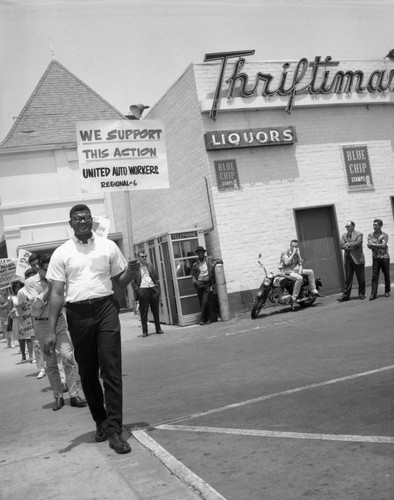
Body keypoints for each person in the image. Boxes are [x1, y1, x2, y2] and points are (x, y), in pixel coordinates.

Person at [46, 204, 135, 454]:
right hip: (77, 314)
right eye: (77, 218)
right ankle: (101, 421)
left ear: (92, 220)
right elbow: (56, 292)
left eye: (86, 217)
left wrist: (132, 272)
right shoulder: (62, 253)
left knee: (111, 369)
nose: (82, 221)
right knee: (87, 372)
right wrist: (51, 330)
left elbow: (120, 281)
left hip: (106, 308)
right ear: (71, 223)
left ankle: (115, 431)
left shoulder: (108, 246)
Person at [25, 254, 87, 410]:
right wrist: (49, 289)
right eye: (46, 269)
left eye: (51, 268)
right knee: (51, 362)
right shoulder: (30, 282)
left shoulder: (58, 277)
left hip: (59, 321)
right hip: (42, 325)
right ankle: (58, 396)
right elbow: (36, 305)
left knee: (67, 356)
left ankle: (74, 395)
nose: (49, 272)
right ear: (39, 267)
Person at [17, 268, 46, 378]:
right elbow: (21, 309)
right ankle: (41, 368)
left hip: (45, 318)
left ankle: (50, 365)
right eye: (30, 278)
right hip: (31, 321)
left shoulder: (42, 285)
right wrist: (23, 325)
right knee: (37, 344)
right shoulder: (21, 292)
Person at [131, 251, 163, 337]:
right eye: (142, 256)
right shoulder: (136, 268)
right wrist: (138, 290)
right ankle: (145, 331)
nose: (144, 258)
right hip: (142, 289)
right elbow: (133, 282)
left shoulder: (150, 265)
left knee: (155, 310)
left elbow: (155, 276)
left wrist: (156, 286)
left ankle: (158, 329)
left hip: (152, 288)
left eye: (145, 256)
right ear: (138, 258)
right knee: (144, 311)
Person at [279, 239, 322, 305]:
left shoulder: (297, 253)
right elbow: (286, 262)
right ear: (290, 246)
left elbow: (300, 264)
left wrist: (300, 268)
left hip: (294, 271)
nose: (294, 248)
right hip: (286, 271)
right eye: (293, 246)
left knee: (310, 272)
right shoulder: (285, 252)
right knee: (299, 278)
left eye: (296, 247)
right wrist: (293, 254)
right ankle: (294, 297)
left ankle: (313, 290)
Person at [191, 246, 224, 325]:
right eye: (198, 253)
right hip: (199, 283)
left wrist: (214, 264)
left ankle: (202, 319)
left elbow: (220, 261)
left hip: (207, 284)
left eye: (201, 253)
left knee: (205, 301)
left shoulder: (209, 260)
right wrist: (196, 282)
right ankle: (206, 319)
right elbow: (193, 276)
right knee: (202, 302)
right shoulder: (195, 264)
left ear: (204, 253)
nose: (200, 254)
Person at [338, 220, 366, 302]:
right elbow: (341, 245)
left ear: (353, 226)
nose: (346, 228)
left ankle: (361, 294)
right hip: (348, 258)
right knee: (348, 278)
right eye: (345, 226)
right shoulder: (344, 235)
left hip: (357, 259)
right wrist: (348, 246)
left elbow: (358, 243)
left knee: (360, 278)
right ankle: (345, 296)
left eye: (348, 226)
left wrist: (348, 244)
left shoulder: (359, 234)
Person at [367, 219, 391, 300]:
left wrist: (374, 244)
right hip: (376, 257)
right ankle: (373, 294)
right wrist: (378, 244)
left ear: (380, 226)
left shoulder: (385, 235)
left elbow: (384, 245)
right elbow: (369, 245)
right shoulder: (370, 235)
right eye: (373, 225)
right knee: (374, 275)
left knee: (386, 274)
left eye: (376, 225)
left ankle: (387, 291)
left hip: (384, 257)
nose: (374, 226)